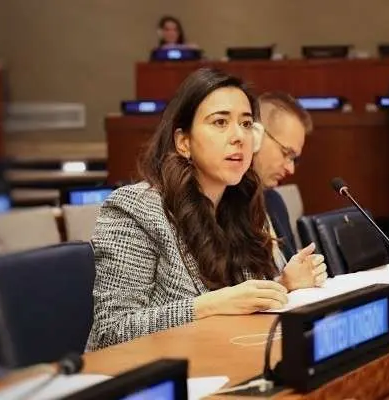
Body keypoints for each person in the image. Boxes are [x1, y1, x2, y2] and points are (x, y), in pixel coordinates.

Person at [86, 68, 327, 351]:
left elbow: (240, 303)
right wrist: (209, 306)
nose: (239, 136)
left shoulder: (240, 205)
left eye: (247, 124)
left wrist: (282, 285)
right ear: (184, 142)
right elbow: (110, 332)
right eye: (220, 122)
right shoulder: (135, 209)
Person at [253, 92, 313, 261]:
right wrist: (284, 283)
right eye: (286, 153)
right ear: (255, 135)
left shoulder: (274, 202)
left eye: (294, 159)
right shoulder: (222, 205)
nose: (290, 169)